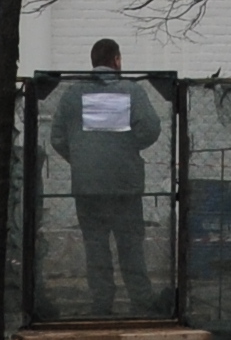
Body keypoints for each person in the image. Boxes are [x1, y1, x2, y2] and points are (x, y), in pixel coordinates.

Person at [44, 37, 162, 312]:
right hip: (125, 184)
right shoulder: (132, 91)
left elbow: (58, 137)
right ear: (117, 61)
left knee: (95, 245)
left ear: (93, 62)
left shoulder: (73, 94)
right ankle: (141, 302)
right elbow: (151, 129)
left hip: (88, 186)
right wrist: (127, 147)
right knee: (130, 244)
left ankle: (101, 302)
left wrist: (82, 159)